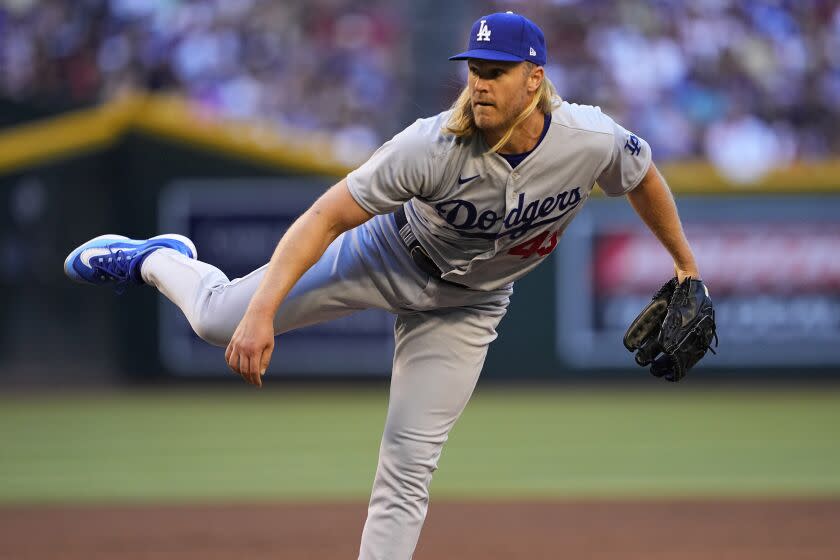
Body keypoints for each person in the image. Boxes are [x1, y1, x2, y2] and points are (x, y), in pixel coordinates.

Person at [64, 12, 702, 560]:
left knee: (408, 464)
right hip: (387, 254)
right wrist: (262, 313)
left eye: (495, 70)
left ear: (534, 80)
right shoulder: (431, 145)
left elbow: (642, 175)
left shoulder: (588, 137)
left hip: (470, 307)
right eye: (473, 68)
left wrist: (685, 268)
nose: (478, 83)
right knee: (215, 321)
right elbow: (326, 215)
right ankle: (154, 259)